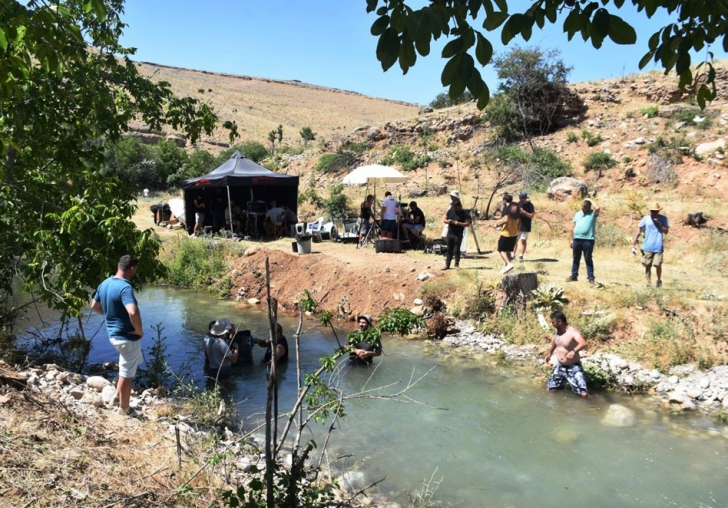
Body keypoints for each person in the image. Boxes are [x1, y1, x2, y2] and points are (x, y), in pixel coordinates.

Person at [90, 255, 143, 415]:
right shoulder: (125, 287)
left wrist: (110, 316)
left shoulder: (105, 283)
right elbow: (132, 312)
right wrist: (139, 330)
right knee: (128, 374)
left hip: (114, 335)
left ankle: (116, 398)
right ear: (132, 268)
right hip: (127, 337)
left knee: (124, 367)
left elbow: (94, 306)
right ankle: (124, 409)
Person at [545, 310, 589, 398]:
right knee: (551, 390)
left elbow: (583, 343)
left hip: (573, 367)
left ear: (560, 321)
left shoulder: (573, 332)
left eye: (553, 322)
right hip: (560, 366)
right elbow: (556, 341)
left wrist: (573, 351)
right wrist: (550, 352)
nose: (552, 324)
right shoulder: (558, 330)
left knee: (583, 394)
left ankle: (594, 405)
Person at [632, 202, 669, 288]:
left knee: (657, 264)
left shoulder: (663, 219)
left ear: (659, 211)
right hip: (647, 246)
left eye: (656, 211)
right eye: (653, 211)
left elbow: (666, 231)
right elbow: (639, 230)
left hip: (658, 246)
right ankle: (648, 282)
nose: (654, 213)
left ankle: (659, 280)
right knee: (647, 264)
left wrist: (659, 223)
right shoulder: (646, 218)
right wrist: (634, 242)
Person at [567, 198, 600, 284]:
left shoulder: (592, 214)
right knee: (576, 258)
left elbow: (598, 208)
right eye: (582, 206)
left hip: (588, 240)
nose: (583, 208)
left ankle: (591, 277)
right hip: (577, 239)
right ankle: (574, 275)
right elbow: (573, 227)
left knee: (588, 258)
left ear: (589, 207)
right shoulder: (578, 214)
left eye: (585, 207)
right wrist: (571, 239)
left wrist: (589, 199)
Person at [442, 199, 470, 270]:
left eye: (457, 207)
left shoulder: (464, 213)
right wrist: (449, 221)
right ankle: (447, 265)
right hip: (450, 233)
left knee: (456, 249)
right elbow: (444, 219)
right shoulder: (450, 211)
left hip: (458, 234)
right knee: (449, 249)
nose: (455, 209)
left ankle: (456, 265)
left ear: (460, 206)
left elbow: (467, 224)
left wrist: (458, 223)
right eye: (454, 207)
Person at [494, 201, 520, 274]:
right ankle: (507, 268)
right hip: (514, 234)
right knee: (508, 251)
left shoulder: (507, 211)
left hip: (506, 234)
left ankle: (508, 264)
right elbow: (519, 224)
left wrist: (497, 224)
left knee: (501, 249)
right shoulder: (517, 214)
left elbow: (505, 220)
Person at [514, 192, 535, 261]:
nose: (521, 200)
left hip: (525, 225)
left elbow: (532, 216)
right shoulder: (518, 204)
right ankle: (512, 255)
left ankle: (521, 255)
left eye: (522, 198)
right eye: (520, 198)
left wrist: (524, 212)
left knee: (523, 240)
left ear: (525, 198)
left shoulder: (530, 205)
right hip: (517, 225)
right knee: (514, 240)